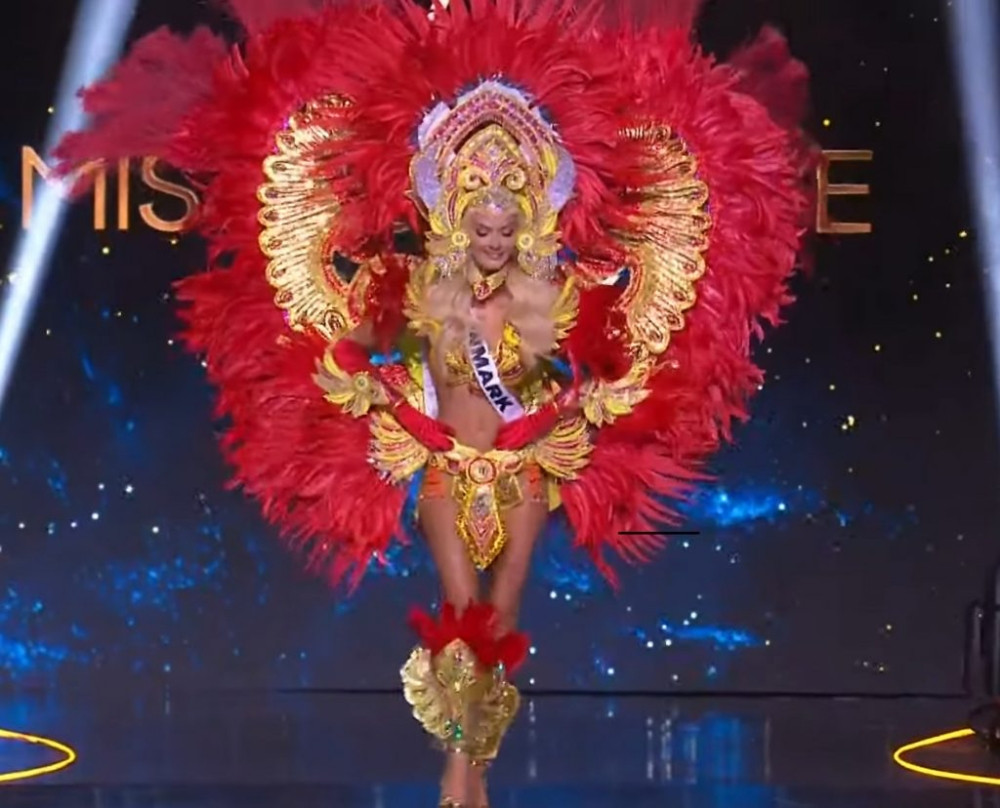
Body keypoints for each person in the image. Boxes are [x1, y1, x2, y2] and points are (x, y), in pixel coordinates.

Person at [55, 1, 813, 805]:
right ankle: (461, 774)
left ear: (529, 213)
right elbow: (358, 346)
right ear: (453, 209)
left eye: (507, 215)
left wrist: (596, 400)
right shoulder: (418, 287)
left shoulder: (552, 292)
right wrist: (368, 386)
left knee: (503, 619)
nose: (494, 228)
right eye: (479, 212)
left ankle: (475, 776)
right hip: (447, 469)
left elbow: (581, 373)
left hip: (526, 473)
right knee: (459, 621)